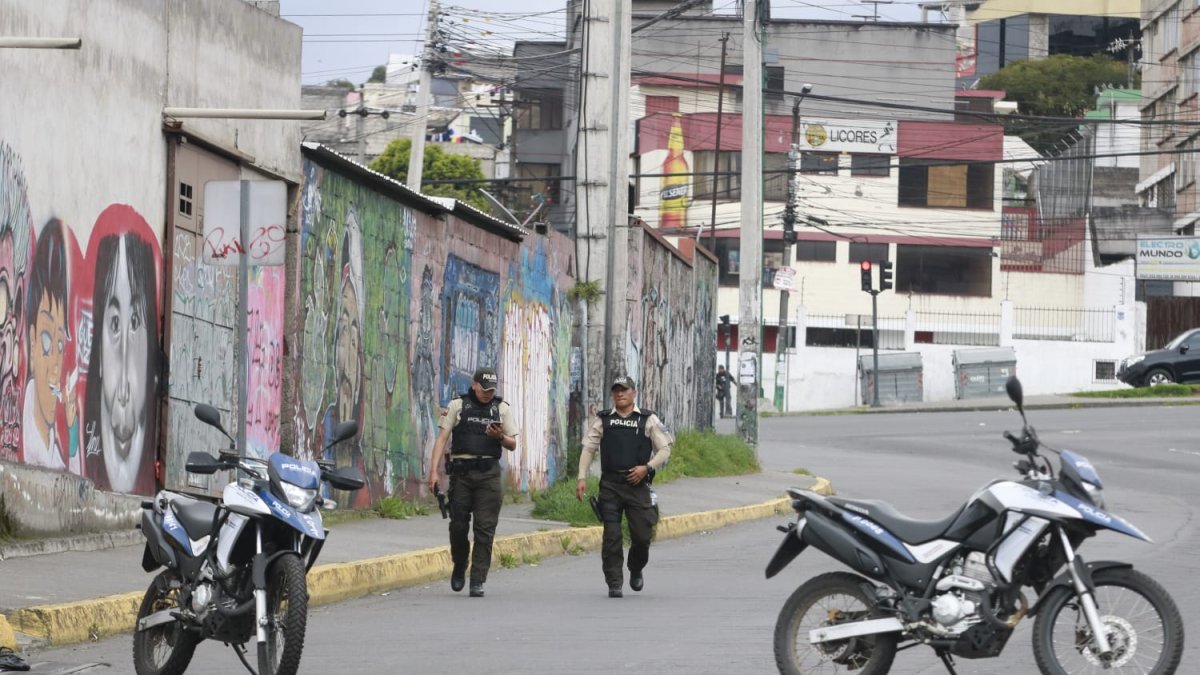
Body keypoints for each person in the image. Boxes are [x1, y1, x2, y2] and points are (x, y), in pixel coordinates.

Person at [575, 376, 673, 598]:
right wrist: (581, 477)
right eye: (616, 390)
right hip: (610, 485)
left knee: (642, 536)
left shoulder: (647, 419)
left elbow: (665, 449)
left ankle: (636, 567)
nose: (620, 394)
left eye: (624, 390)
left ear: (634, 393)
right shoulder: (603, 420)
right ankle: (614, 582)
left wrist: (646, 468)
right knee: (612, 536)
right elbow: (588, 448)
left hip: (637, 485)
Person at [428, 367, 518, 598]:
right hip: (462, 475)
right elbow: (441, 439)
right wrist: (433, 472)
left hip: (488, 475)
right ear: (474, 385)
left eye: (491, 390)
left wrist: (498, 436)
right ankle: (459, 564)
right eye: (484, 389)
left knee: (484, 530)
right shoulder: (458, 406)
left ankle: (477, 580)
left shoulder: (501, 408)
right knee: (458, 525)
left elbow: (512, 444)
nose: (487, 394)